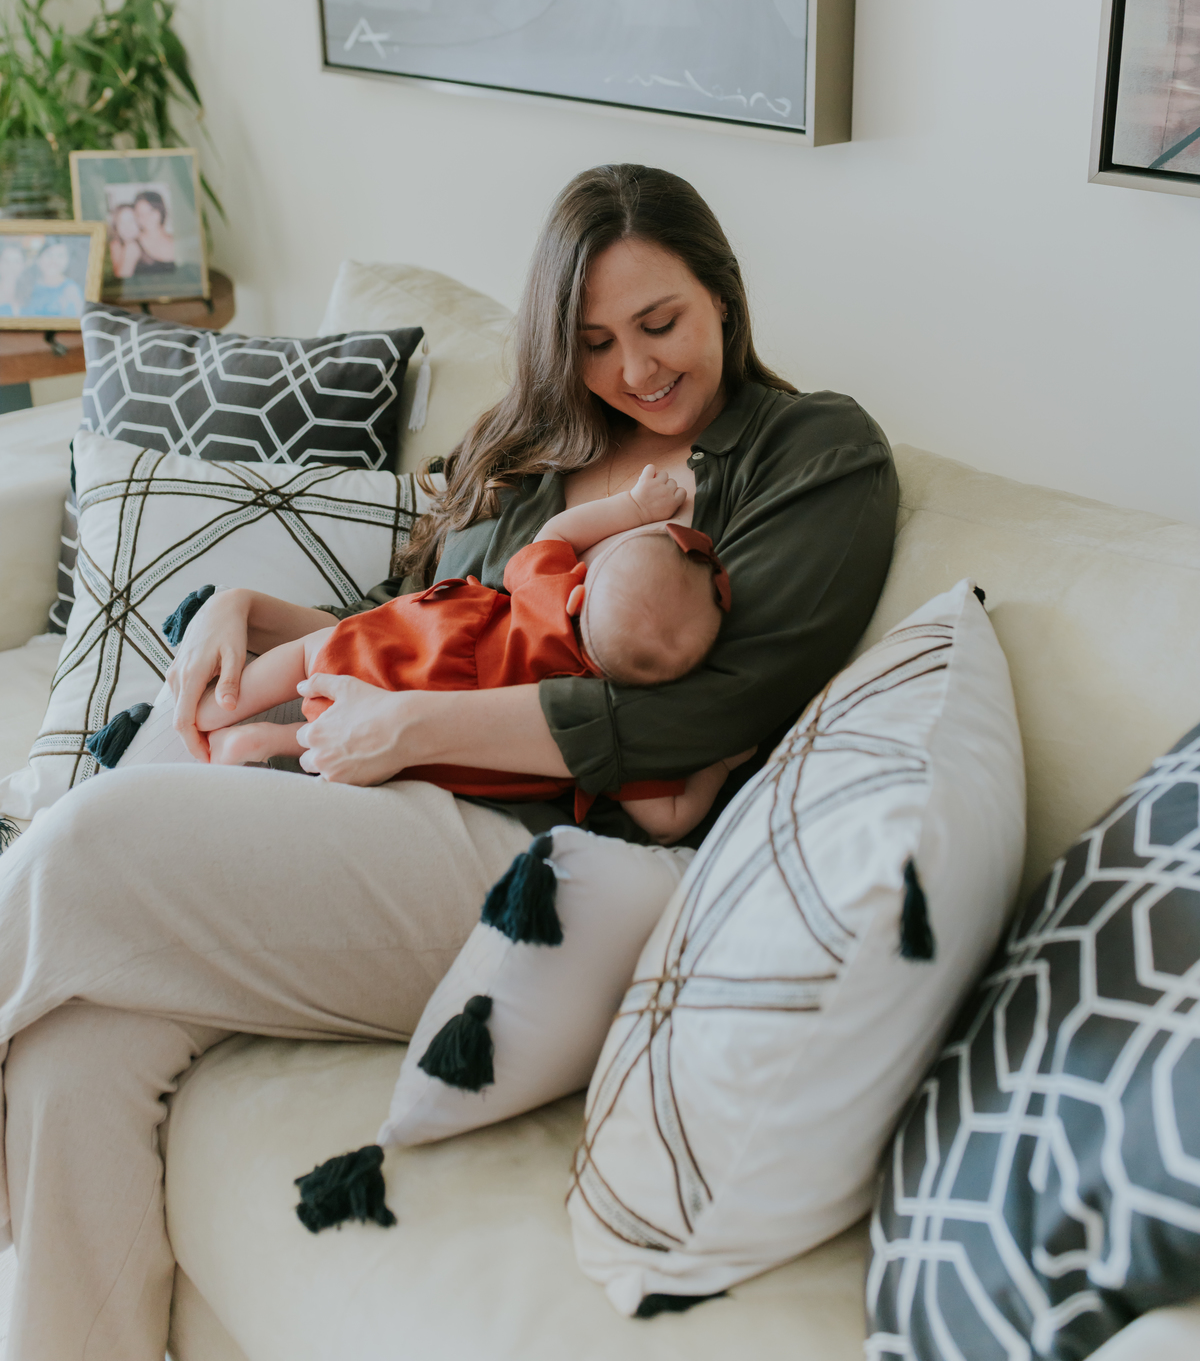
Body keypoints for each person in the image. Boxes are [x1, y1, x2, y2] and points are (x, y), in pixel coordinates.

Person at [0, 164, 897, 1359]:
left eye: (660, 324)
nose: (634, 368)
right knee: (77, 1049)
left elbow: (706, 715)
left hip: (546, 853)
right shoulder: (538, 450)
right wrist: (254, 609)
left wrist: (414, 734)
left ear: (723, 294)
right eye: (591, 341)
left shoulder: (812, 456)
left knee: (89, 845)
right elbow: (426, 622)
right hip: (375, 789)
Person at [194, 465, 737, 841]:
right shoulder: (605, 712)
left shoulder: (553, 595)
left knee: (312, 658)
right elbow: (666, 820)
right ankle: (266, 741)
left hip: (412, 649)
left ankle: (217, 708)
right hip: (420, 757)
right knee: (344, 734)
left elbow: (555, 532)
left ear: (580, 593)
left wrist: (635, 506)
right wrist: (721, 761)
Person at [22, 240, 83, 319]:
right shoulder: (28, 287)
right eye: (49, 255)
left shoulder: (71, 290)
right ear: (38, 259)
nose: (54, 261)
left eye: (60, 256)